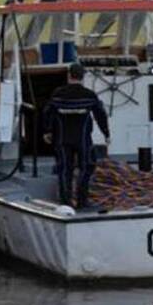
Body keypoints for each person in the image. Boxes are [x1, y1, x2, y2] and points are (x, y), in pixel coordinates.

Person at [43, 63, 110, 209]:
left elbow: (48, 112)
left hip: (62, 139)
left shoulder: (58, 94)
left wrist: (47, 131)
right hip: (83, 139)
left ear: (69, 75)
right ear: (83, 76)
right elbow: (100, 115)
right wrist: (106, 133)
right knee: (86, 167)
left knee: (64, 169)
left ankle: (65, 202)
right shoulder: (89, 95)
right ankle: (82, 201)